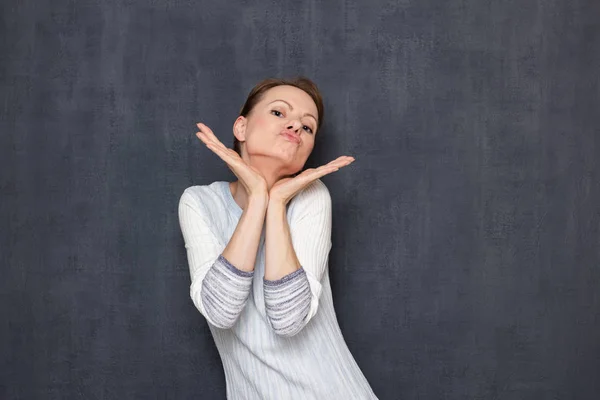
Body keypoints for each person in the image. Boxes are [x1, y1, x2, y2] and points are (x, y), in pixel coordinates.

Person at [178, 77, 378, 399]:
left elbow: (287, 320)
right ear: (241, 128)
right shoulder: (200, 202)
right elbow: (221, 311)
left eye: (308, 127)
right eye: (278, 113)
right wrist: (259, 196)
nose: (295, 126)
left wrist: (277, 202)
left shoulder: (312, 197)